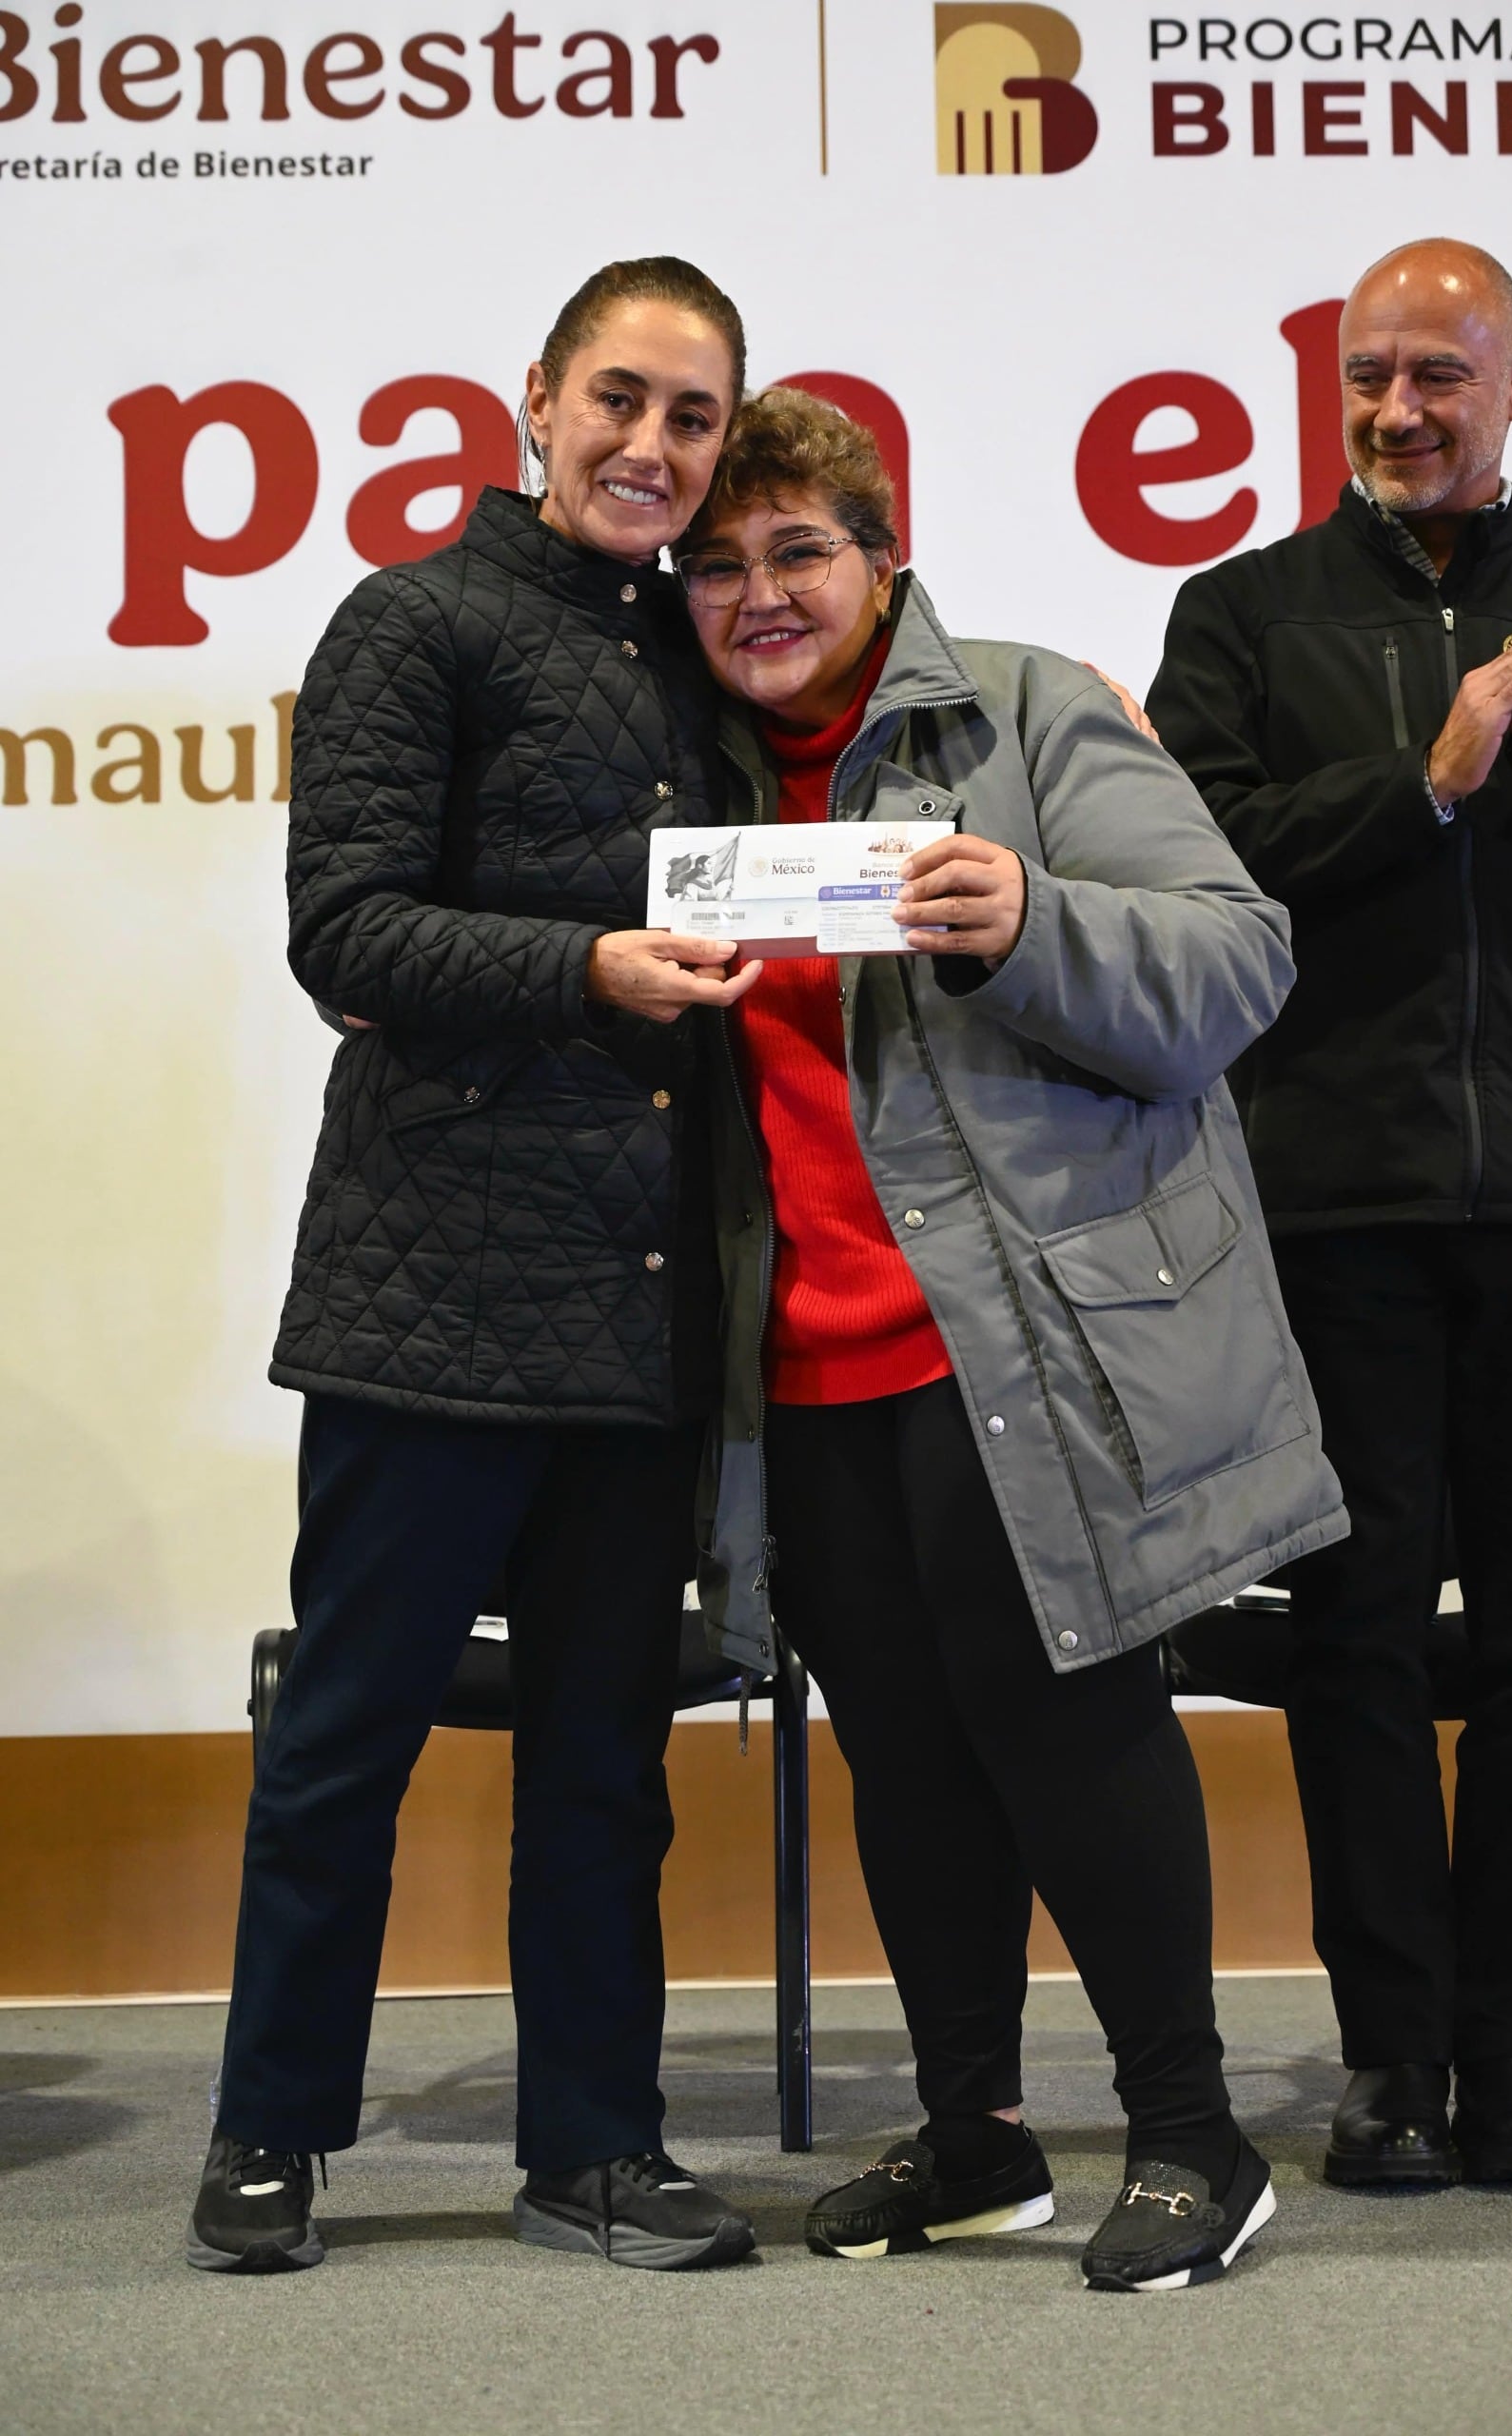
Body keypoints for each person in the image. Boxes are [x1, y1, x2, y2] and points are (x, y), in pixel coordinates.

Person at [680, 388, 1348, 2290]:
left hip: (1020, 1339)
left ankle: (1193, 2139)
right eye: (717, 564)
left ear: (883, 559)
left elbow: (1235, 960)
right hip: (805, 1364)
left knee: (1070, 1729)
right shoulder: (681, 771)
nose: (758, 593)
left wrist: (1028, 918)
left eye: (798, 550)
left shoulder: (1029, 710)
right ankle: (973, 2136)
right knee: (903, 1757)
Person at [187, 258, 771, 2277]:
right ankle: (270, 2130)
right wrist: (582, 966)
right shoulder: (410, 619)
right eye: (620, 399)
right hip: (426, 1290)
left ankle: (593, 2145)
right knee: (345, 1738)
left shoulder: (709, 649)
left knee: (606, 1765)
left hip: (641, 1301)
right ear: (536, 397)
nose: (650, 447)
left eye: (691, 417)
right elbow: (342, 928)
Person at [1149, 238, 1512, 2191]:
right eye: (1368, 373)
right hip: (1329, 1204)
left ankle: (1511, 2053)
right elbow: (1203, 862)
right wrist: (1427, 779)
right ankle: (1387, 2058)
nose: (1398, 409)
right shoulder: (1240, 613)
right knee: (1350, 1634)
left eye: (1438, 373)